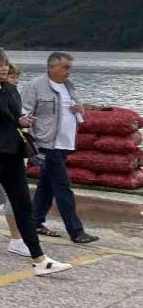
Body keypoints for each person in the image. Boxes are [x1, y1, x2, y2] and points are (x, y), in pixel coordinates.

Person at [0, 46, 72, 276]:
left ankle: (38, 257)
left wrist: (22, 120)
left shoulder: (10, 89)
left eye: (4, 64)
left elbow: (11, 115)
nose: (3, 68)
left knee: (23, 204)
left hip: (11, 152)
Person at [22, 52, 99, 245]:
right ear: (51, 67)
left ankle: (35, 221)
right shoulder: (35, 86)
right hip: (48, 144)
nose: (69, 71)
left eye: (70, 67)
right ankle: (76, 231)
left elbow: (71, 108)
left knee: (47, 185)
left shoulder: (68, 86)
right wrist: (31, 139)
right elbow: (24, 112)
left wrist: (79, 109)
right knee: (63, 186)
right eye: (65, 67)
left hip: (65, 143)